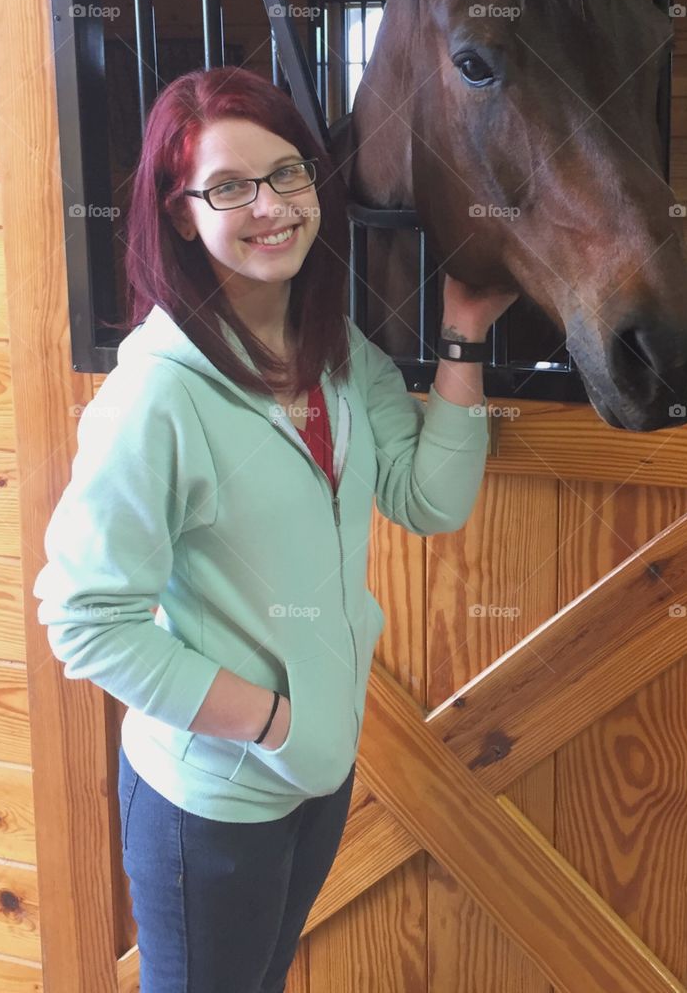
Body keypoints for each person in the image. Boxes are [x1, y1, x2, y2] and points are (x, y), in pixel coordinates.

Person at [33, 66, 518, 993]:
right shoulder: (157, 393)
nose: (272, 206)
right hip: (211, 800)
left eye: (289, 173)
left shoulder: (334, 350)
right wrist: (269, 722)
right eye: (229, 187)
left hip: (316, 774)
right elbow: (83, 618)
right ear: (181, 214)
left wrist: (460, 338)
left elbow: (430, 500)